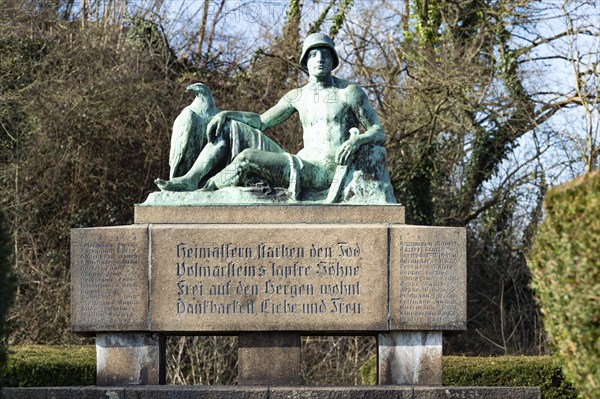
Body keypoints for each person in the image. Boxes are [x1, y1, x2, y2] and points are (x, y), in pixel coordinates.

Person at [155, 32, 386, 200]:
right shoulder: (297, 96)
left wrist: (358, 140)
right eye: (313, 54)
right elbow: (262, 121)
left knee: (247, 158)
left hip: (324, 170)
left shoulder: (349, 92)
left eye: (325, 54)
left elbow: (378, 131)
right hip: (301, 161)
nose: (320, 59)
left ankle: (207, 188)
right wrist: (227, 114)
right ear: (305, 62)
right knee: (228, 128)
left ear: (333, 60)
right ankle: (191, 179)